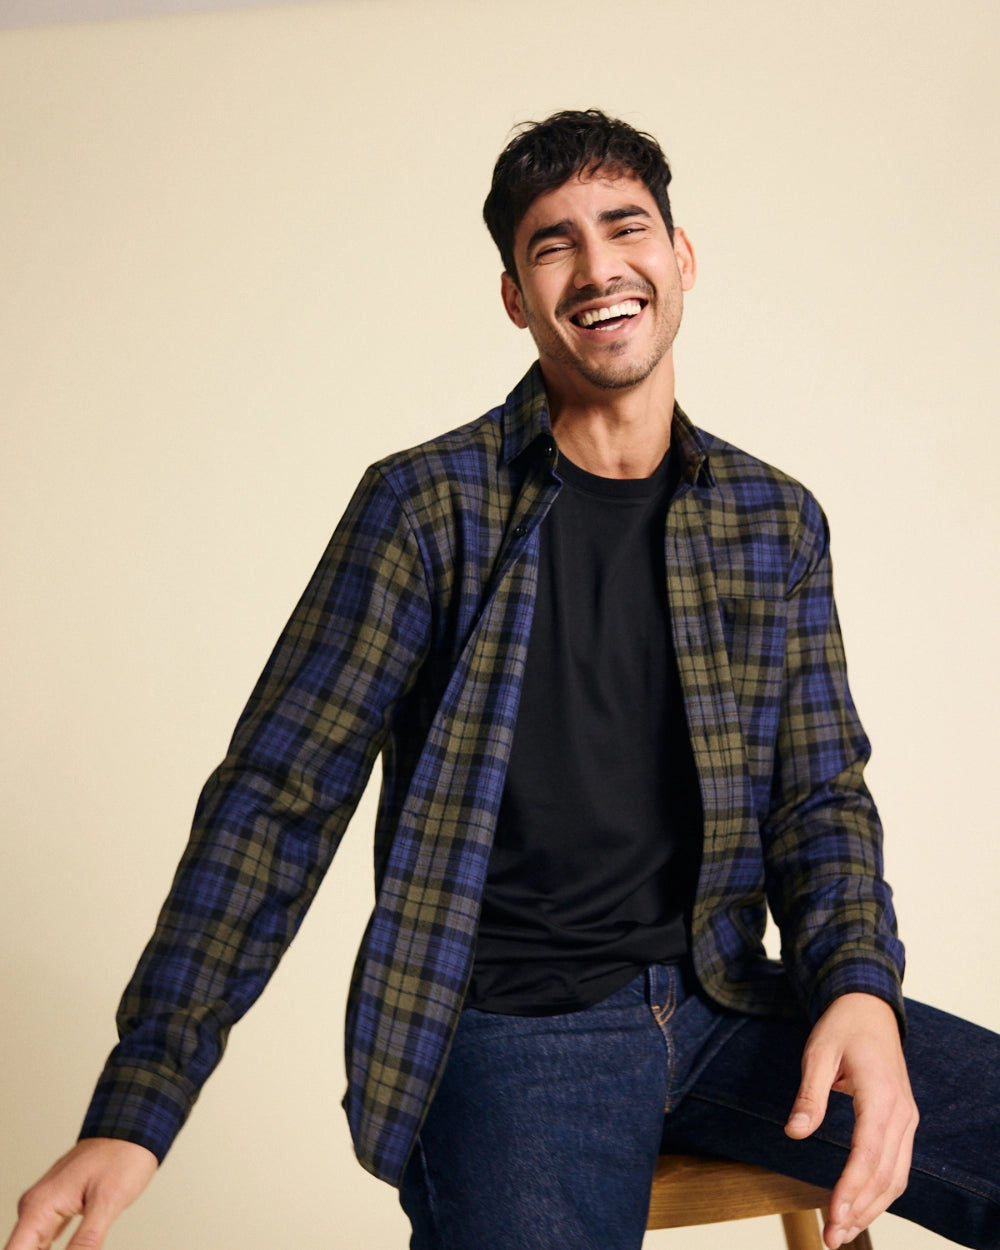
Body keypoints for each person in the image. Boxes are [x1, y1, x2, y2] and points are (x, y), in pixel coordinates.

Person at [6, 109, 999, 1250]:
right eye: (551, 244)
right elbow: (273, 803)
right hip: (515, 1032)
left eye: (624, 227)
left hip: (730, 1001)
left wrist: (858, 989)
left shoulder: (772, 518)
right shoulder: (427, 510)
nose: (596, 266)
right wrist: (140, 1104)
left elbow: (817, 794)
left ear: (681, 257)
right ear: (516, 297)